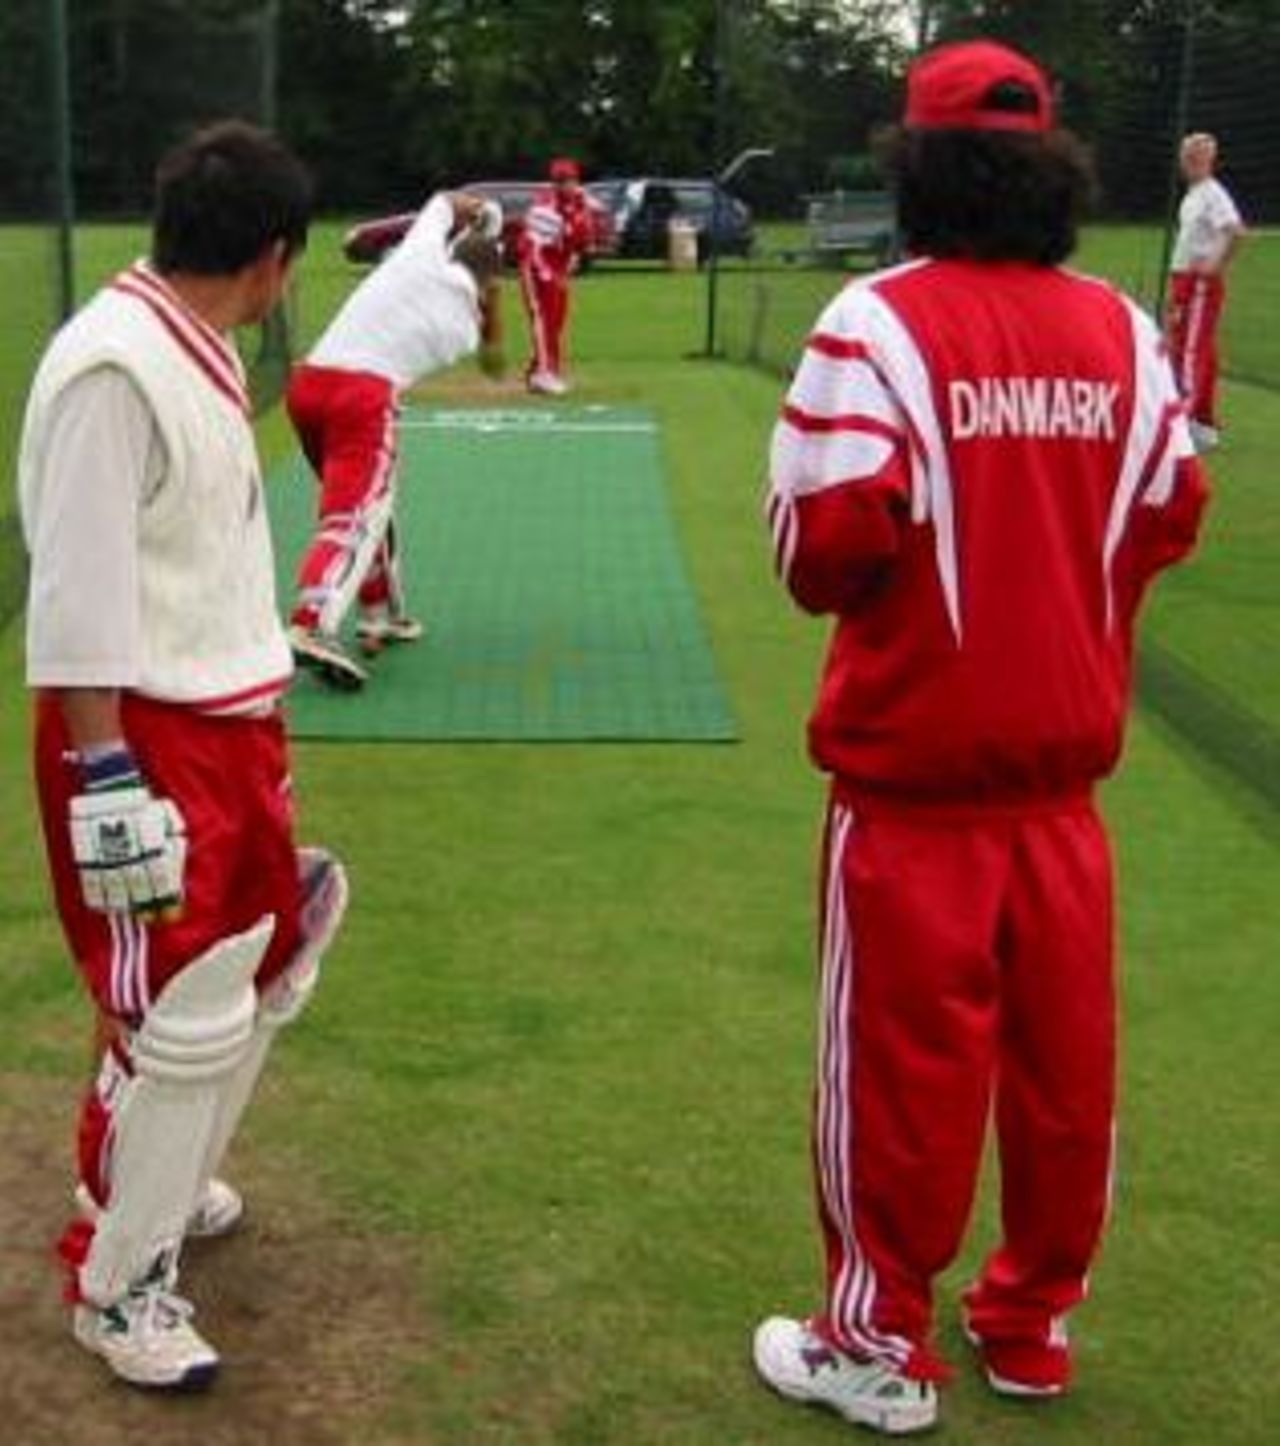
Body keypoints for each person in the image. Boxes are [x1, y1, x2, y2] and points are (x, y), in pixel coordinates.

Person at [751, 40, 1209, 1436]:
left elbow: (823, 551)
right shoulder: (1122, 330)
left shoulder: (872, 324)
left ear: (918, 165)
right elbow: (1172, 515)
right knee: (1067, 1074)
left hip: (913, 793)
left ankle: (876, 1340)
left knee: (903, 1074)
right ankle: (1030, 1323)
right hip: (1064, 789)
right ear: (1052, 168)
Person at [19, 119, 349, 1392]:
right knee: (168, 1010)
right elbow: (79, 596)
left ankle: (162, 1180)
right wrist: (107, 782)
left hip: (223, 724)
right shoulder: (114, 364)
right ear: (273, 259)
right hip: (141, 736)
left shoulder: (192, 342)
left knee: (270, 953)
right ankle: (119, 1282)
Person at [285, 191, 504, 690]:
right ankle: (311, 623)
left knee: (368, 505)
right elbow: (491, 332)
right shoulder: (464, 328)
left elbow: (447, 201)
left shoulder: (419, 252)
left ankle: (380, 613)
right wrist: (492, 255)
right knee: (355, 519)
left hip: (309, 385)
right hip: (363, 398)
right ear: (490, 283)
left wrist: (484, 213)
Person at [1166, 130, 1245, 452]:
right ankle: (1203, 424)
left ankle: (1182, 423)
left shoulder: (1213, 194)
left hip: (1198, 283)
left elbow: (1236, 231)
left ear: (1207, 159)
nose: (1188, 161)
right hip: (1183, 280)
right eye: (1187, 155)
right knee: (1200, 351)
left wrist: (1214, 264)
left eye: (1196, 156)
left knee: (1190, 350)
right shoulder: (1193, 194)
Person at [518, 156, 592, 395]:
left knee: (556, 321)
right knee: (542, 319)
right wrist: (546, 274)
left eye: (569, 180)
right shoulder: (544, 207)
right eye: (560, 181)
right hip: (535, 267)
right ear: (553, 183)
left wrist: (573, 257)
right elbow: (532, 247)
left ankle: (542, 371)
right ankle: (543, 374)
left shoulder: (580, 201)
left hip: (557, 268)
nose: (566, 186)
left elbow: (581, 239)